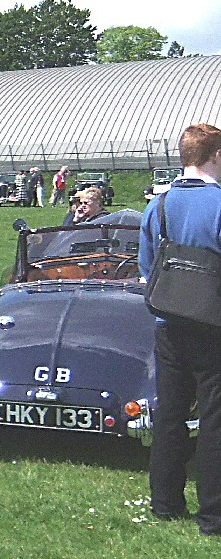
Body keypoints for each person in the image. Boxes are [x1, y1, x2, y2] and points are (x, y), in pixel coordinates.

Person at [142, 123, 221, 533]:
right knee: (215, 420)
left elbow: (146, 268)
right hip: (214, 326)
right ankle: (214, 514)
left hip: (168, 322)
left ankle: (165, 502)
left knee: (170, 416)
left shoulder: (159, 206)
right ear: (216, 156)